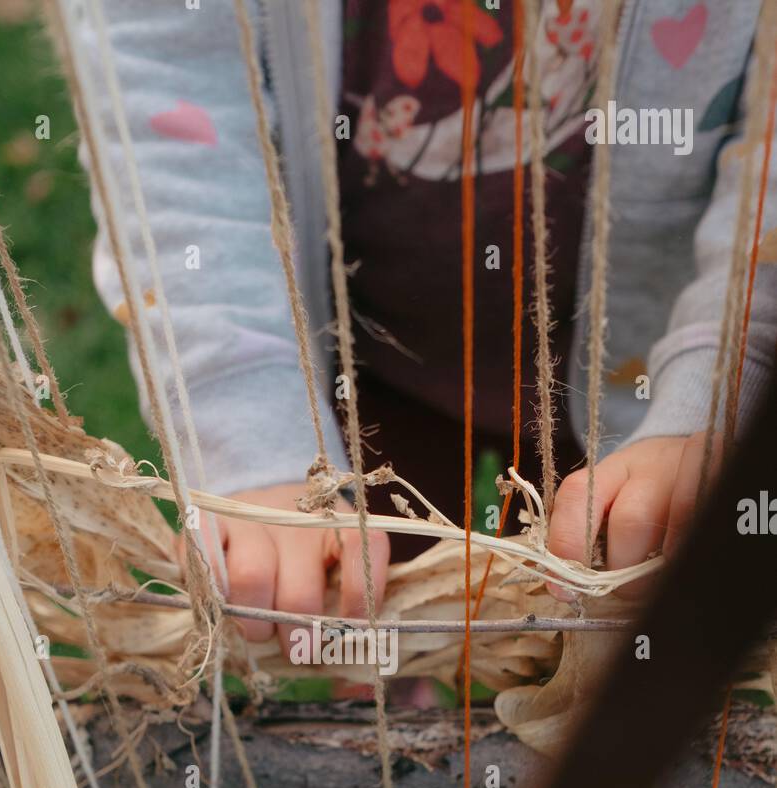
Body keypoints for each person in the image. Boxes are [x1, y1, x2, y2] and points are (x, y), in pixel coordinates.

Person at [77, 0, 777, 646]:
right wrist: (252, 428)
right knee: (370, 597)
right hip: (363, 360)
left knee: (584, 617)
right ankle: (400, 688)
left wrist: (720, 383)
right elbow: (163, 88)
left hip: (641, 371)